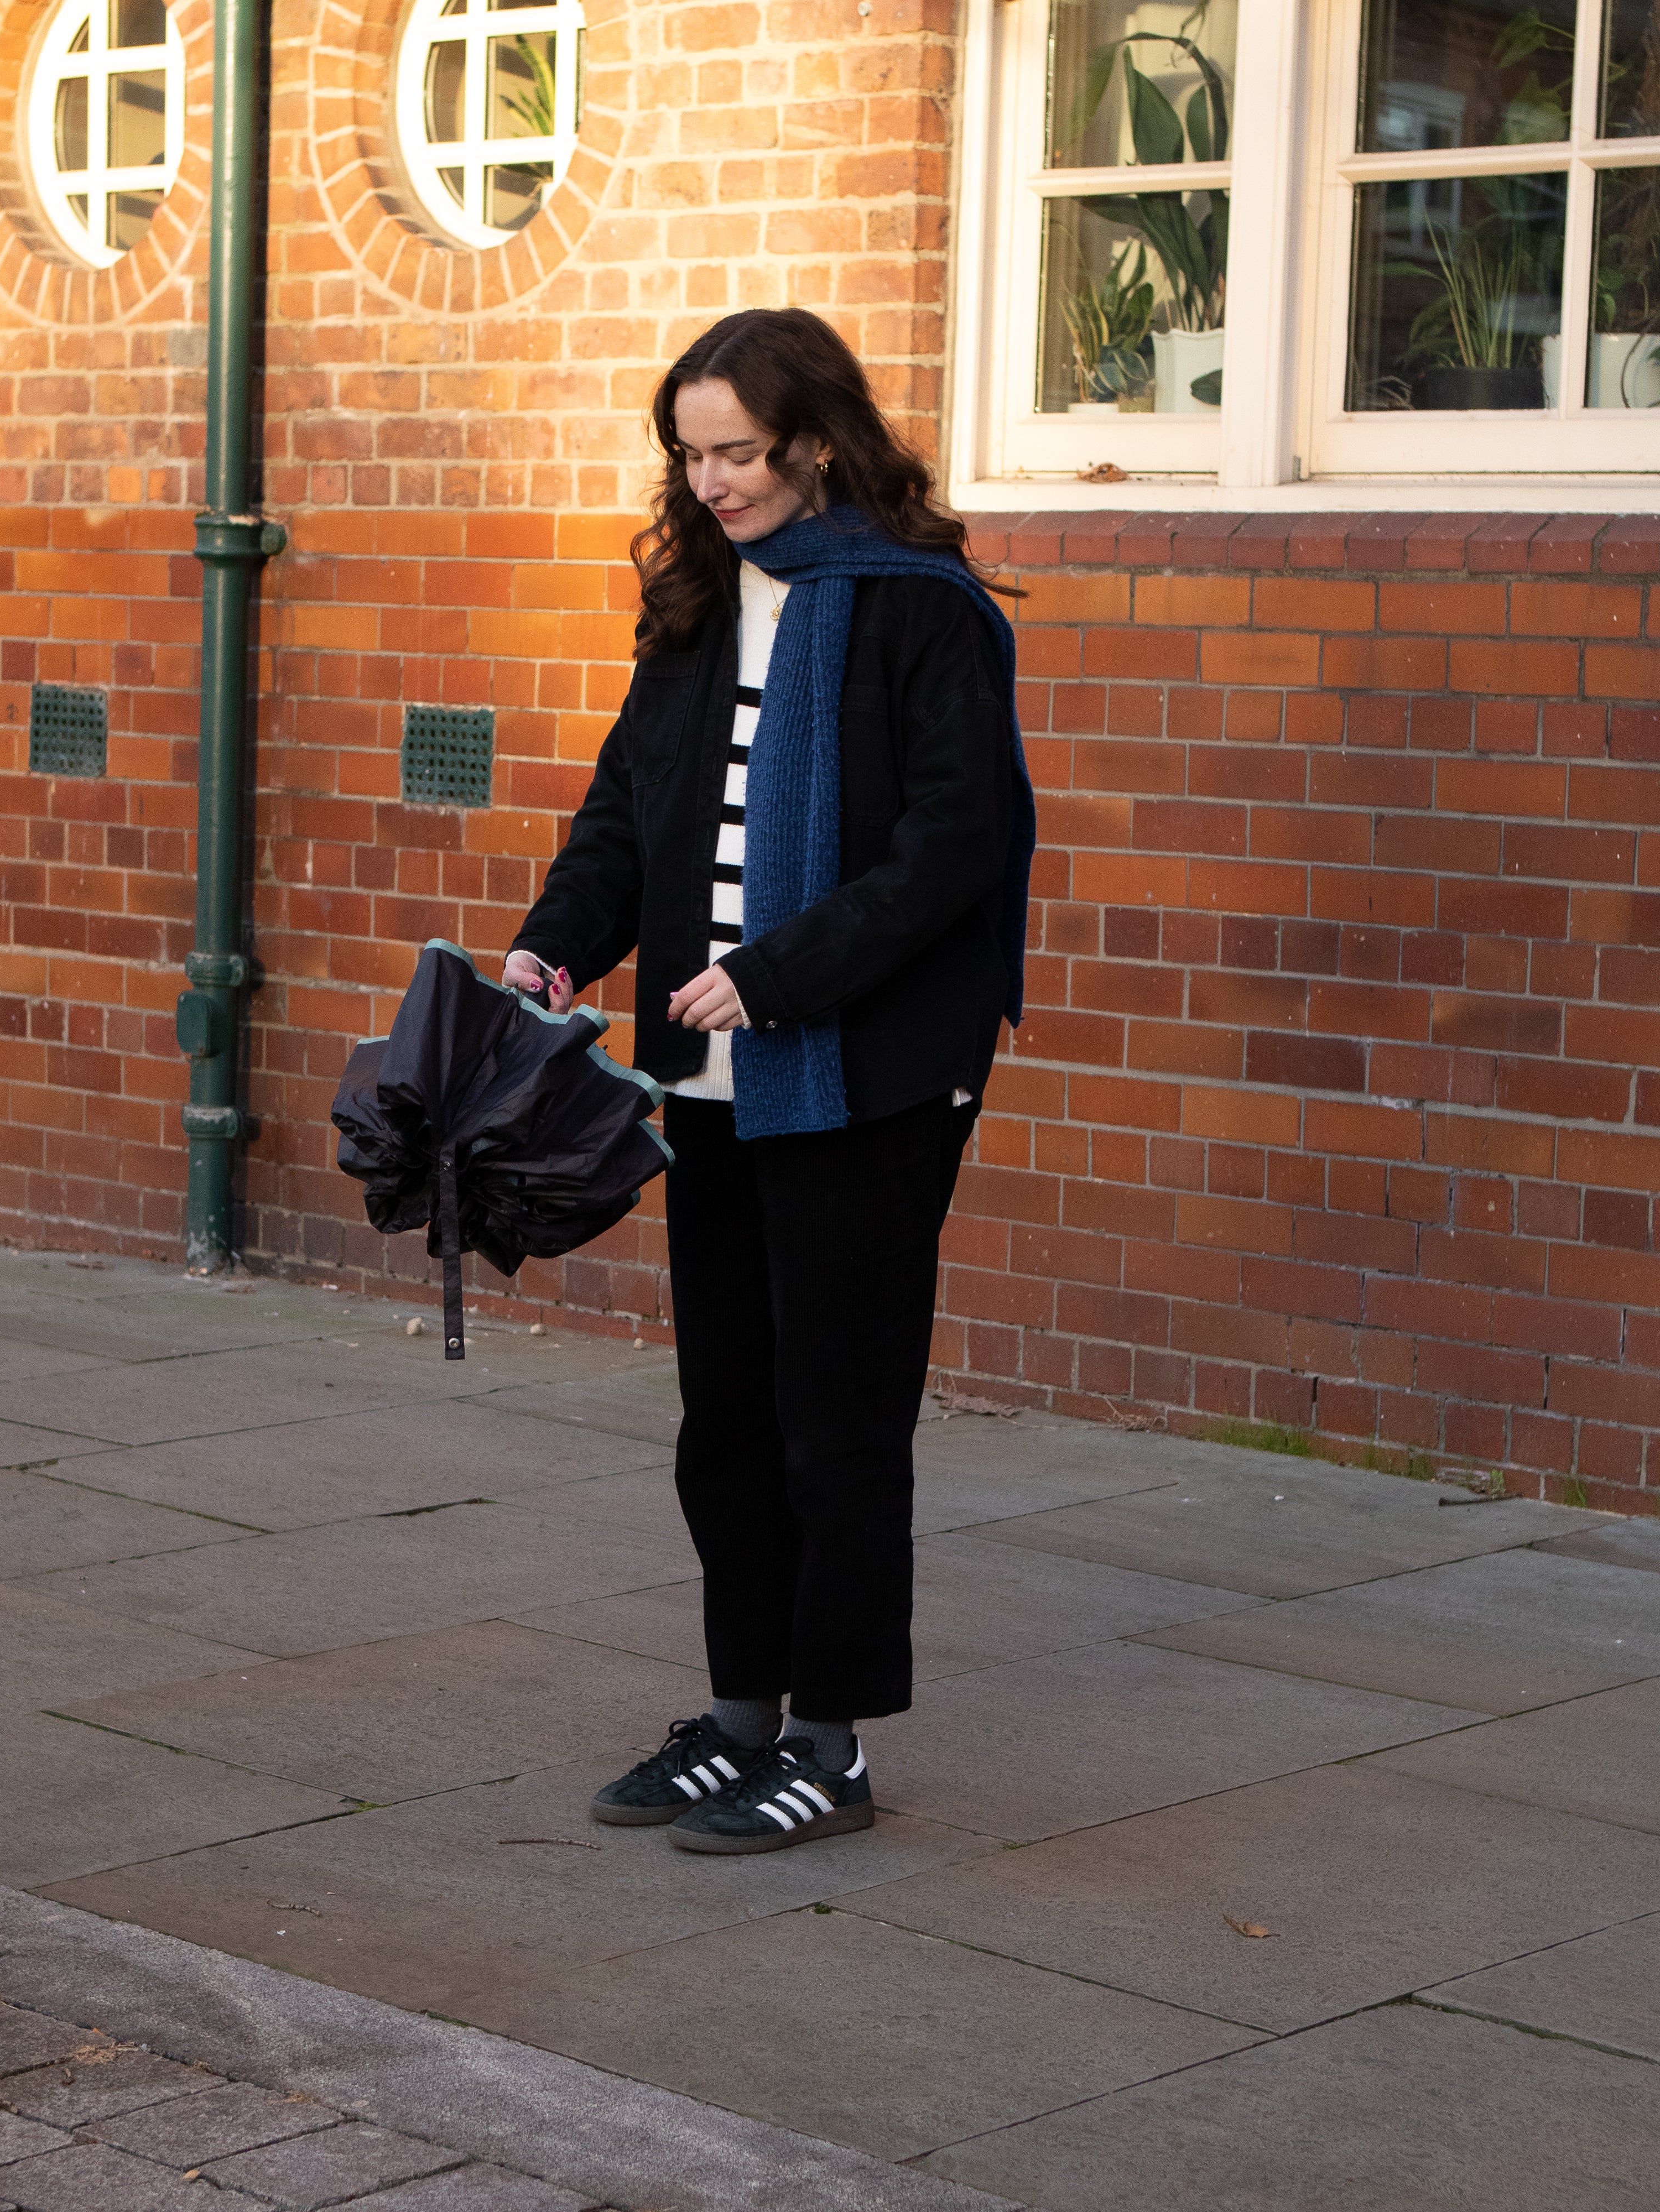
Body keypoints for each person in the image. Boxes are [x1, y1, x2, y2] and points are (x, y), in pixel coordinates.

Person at [501, 307, 1035, 1854]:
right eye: (691, 455)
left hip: (867, 1074)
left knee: (837, 1418)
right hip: (711, 1077)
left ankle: (831, 1747)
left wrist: (781, 975)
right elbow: (628, 816)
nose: (713, 482)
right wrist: (550, 952)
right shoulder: (693, 604)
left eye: (737, 452)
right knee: (724, 1414)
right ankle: (740, 1720)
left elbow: (955, 848)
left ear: (815, 440)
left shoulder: (922, 611)